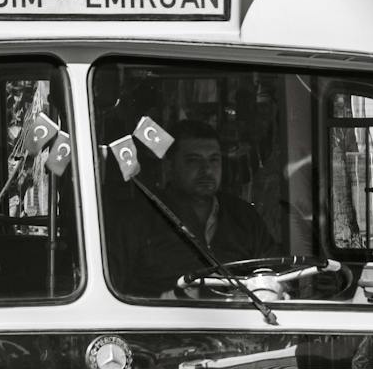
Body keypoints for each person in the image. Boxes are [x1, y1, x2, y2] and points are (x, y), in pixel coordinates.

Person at [109, 118, 277, 297]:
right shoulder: (139, 218)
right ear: (169, 166)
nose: (207, 170)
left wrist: (269, 289)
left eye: (214, 160)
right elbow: (113, 294)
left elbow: (274, 271)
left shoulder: (244, 216)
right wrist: (168, 298)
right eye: (193, 161)